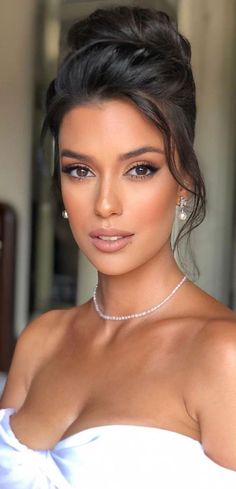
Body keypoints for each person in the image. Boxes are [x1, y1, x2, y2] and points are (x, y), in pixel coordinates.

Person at [0, 5, 236, 488]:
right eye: (79, 170)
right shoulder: (41, 342)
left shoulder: (223, 356)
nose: (105, 204)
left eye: (140, 169)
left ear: (184, 181)